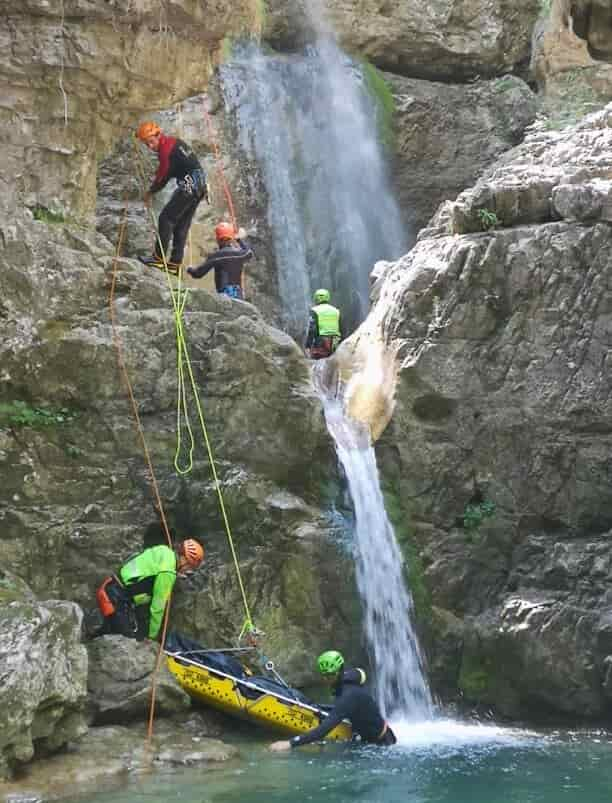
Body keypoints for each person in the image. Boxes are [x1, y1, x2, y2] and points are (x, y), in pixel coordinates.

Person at [269, 650, 397, 751]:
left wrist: (290, 743)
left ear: (340, 671)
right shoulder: (350, 677)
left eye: (330, 675)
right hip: (367, 738)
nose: (327, 679)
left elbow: (323, 730)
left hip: (383, 743)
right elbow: (361, 673)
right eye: (324, 675)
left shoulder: (348, 697)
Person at [95, 539, 204, 642]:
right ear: (184, 560)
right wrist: (152, 637)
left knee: (113, 630)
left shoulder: (164, 550)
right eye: (189, 567)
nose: (187, 571)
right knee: (130, 642)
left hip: (112, 586)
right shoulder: (168, 573)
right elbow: (157, 608)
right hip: (116, 599)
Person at [136, 121, 208, 275]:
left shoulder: (166, 150)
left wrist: (150, 193)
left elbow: (163, 176)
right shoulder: (175, 143)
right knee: (181, 225)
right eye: (146, 144)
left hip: (189, 185)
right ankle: (174, 265)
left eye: (151, 142)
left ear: (159, 135)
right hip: (199, 186)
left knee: (165, 219)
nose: (150, 146)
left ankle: (158, 259)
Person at [187, 222, 254, 299]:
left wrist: (189, 269)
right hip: (238, 294)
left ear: (218, 239)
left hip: (223, 295)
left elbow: (198, 274)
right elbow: (249, 252)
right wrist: (238, 239)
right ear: (231, 238)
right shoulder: (239, 254)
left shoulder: (216, 256)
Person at [305, 289, 342, 359]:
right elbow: (340, 327)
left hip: (321, 341)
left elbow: (312, 329)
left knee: (319, 363)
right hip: (336, 341)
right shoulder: (336, 311)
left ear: (316, 298)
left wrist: (308, 346)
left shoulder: (314, 310)